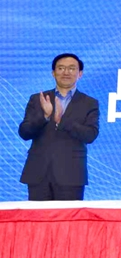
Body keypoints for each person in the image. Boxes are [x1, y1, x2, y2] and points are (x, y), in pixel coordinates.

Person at [18, 53, 99, 200]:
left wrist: (61, 120)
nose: (66, 72)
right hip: (38, 174)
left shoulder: (89, 103)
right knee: (38, 215)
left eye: (71, 68)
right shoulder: (38, 99)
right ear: (53, 73)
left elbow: (90, 135)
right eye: (61, 68)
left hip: (71, 175)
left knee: (69, 216)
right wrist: (45, 116)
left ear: (80, 74)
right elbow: (24, 132)